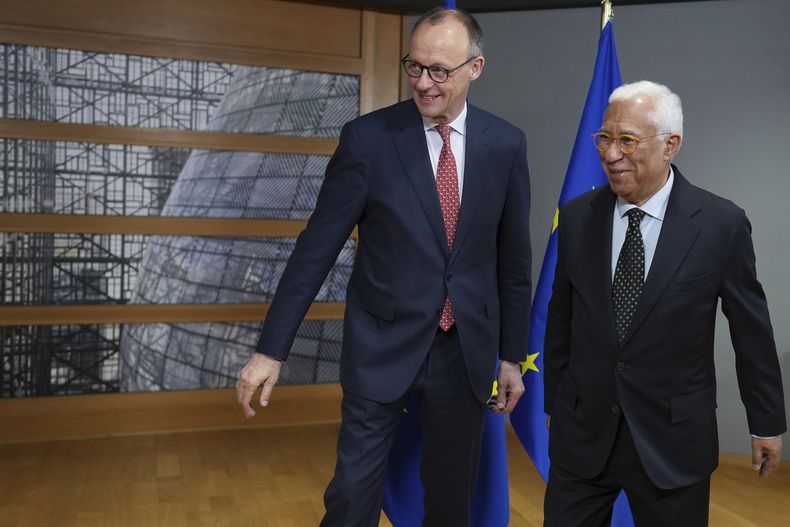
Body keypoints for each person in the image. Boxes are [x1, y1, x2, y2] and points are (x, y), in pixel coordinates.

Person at [236, 7, 531, 526]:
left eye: (440, 70)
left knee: (449, 503)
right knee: (351, 499)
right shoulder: (367, 140)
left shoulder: (506, 145)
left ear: (475, 69)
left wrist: (510, 356)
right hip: (380, 347)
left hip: (464, 353)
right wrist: (270, 349)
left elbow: (512, 262)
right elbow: (315, 249)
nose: (423, 82)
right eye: (413, 67)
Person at [543, 80, 786, 526]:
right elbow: (561, 320)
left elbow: (751, 332)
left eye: (627, 141)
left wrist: (765, 420)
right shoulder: (577, 218)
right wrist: (555, 405)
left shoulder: (720, 224)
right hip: (584, 436)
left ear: (670, 144)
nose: (611, 154)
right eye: (605, 138)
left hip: (673, 442)